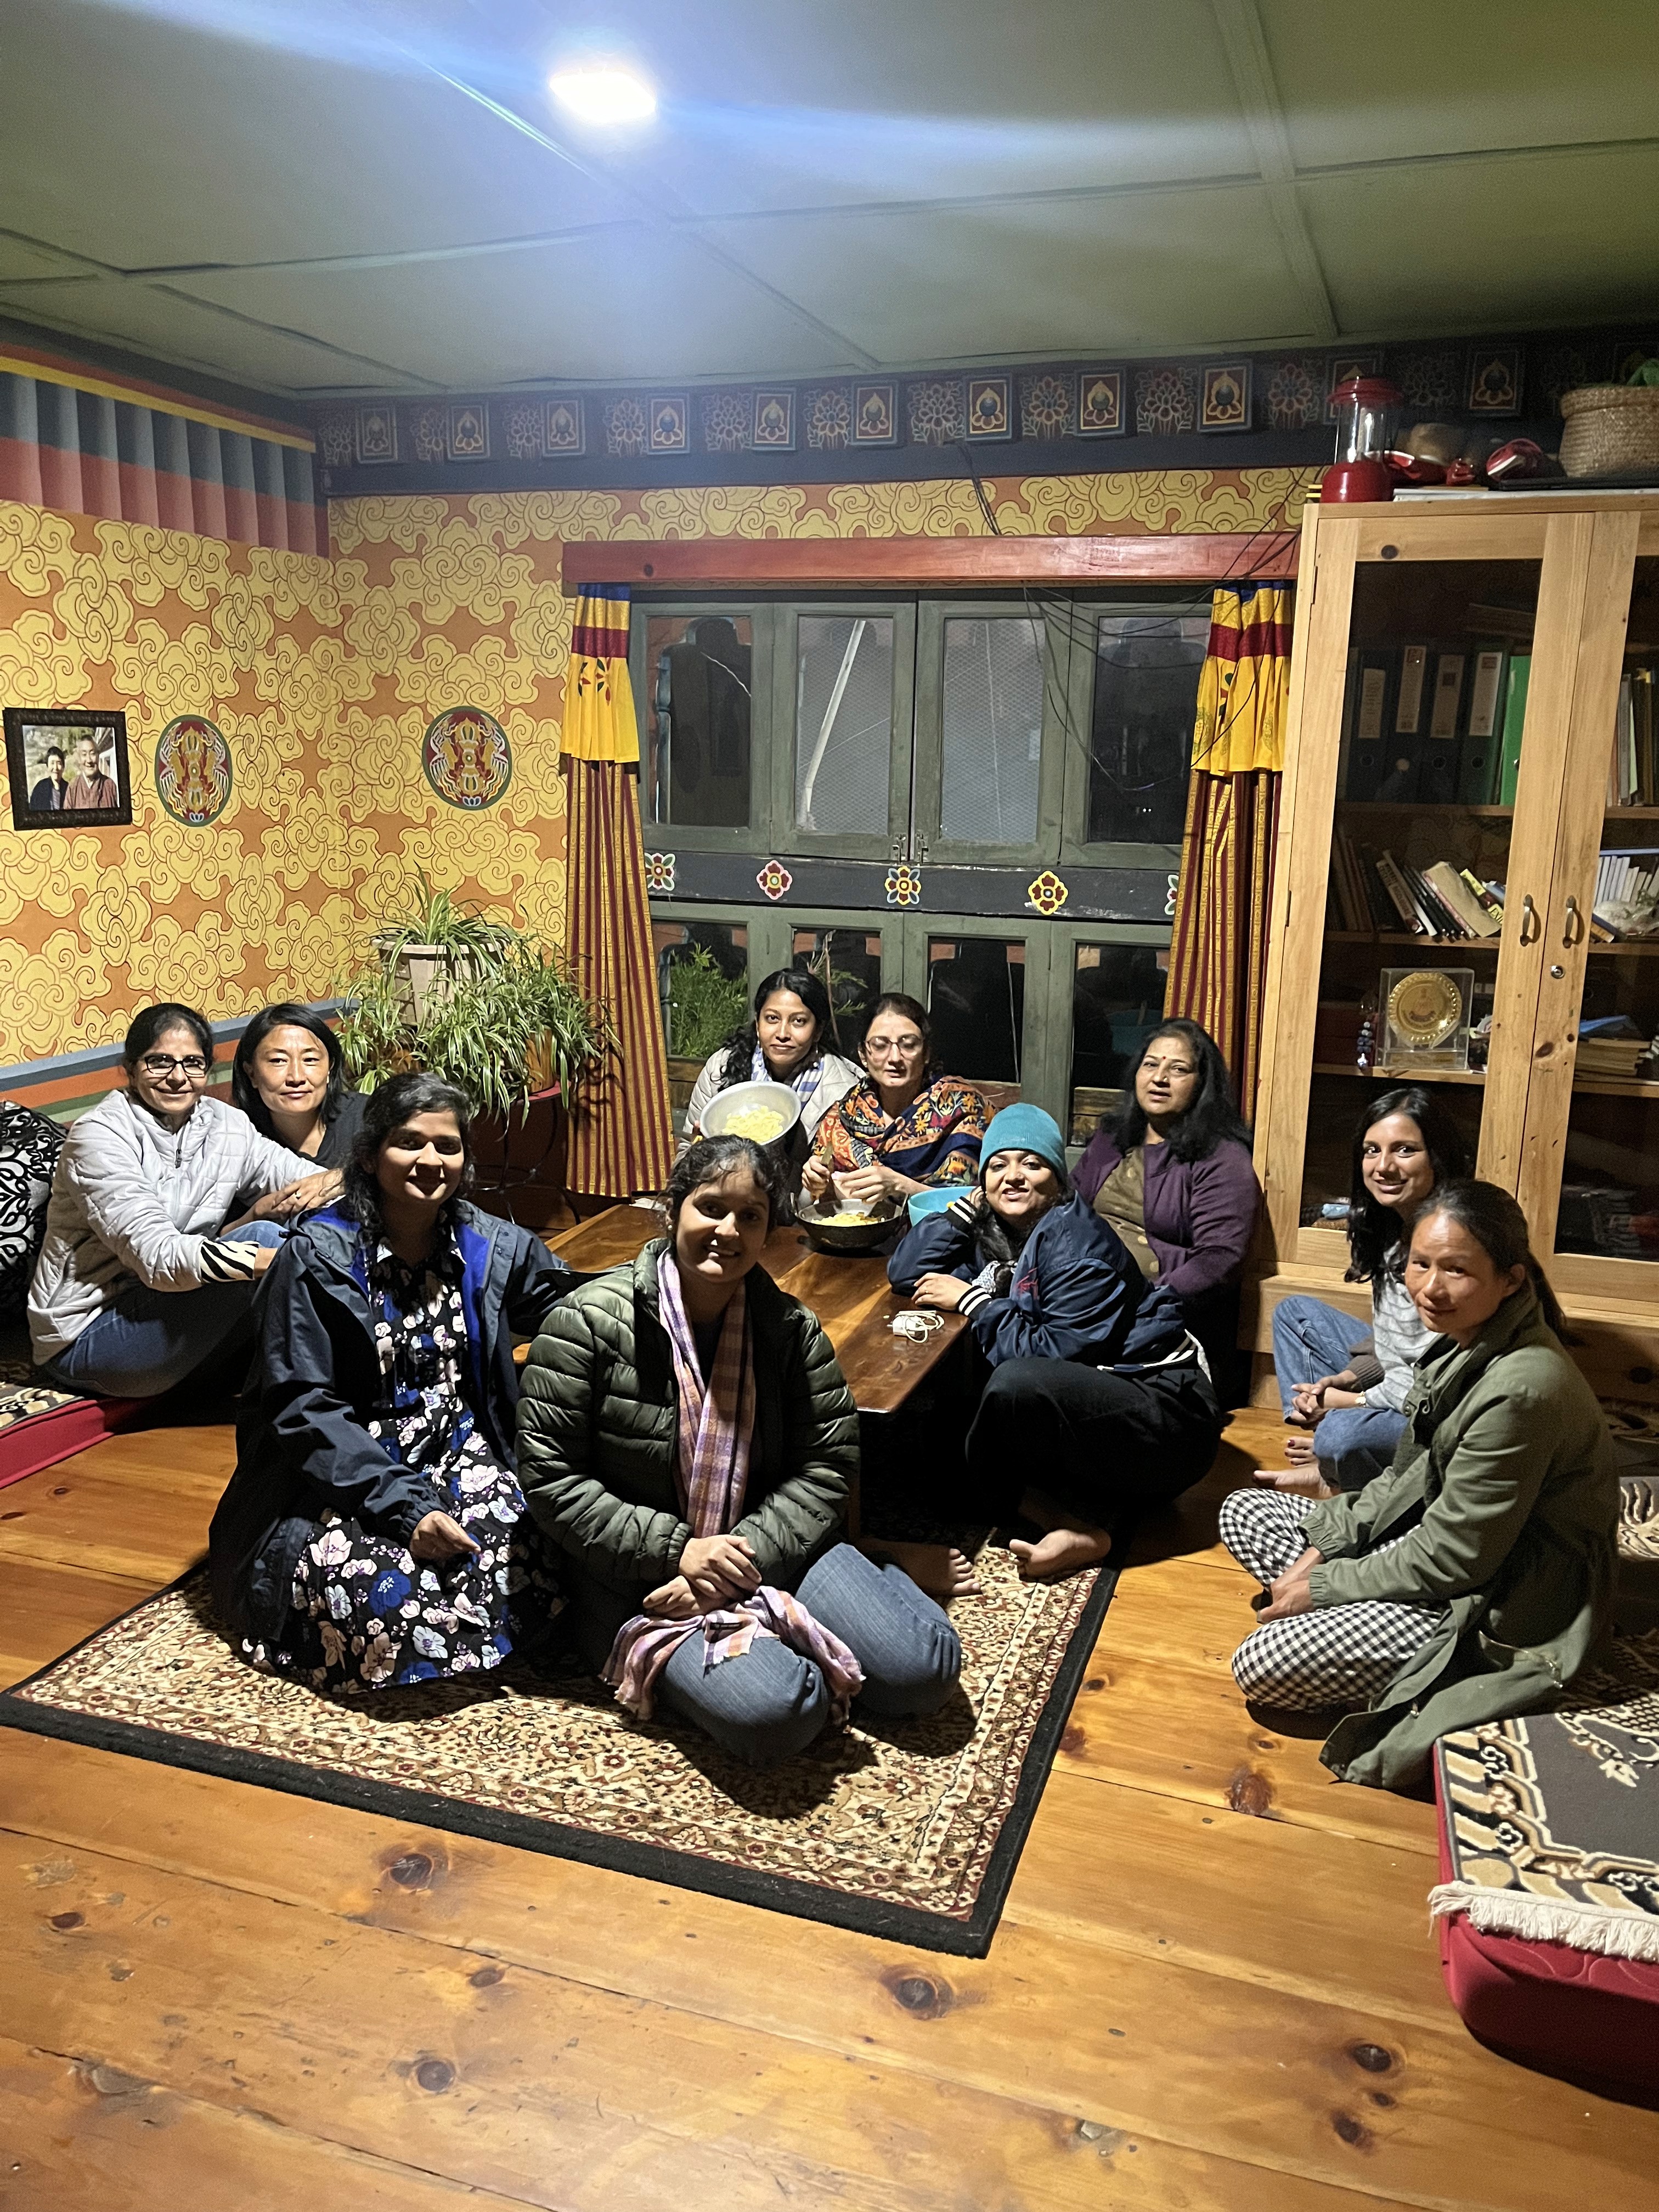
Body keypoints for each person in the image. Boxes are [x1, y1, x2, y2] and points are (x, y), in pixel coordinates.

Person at [516, 1133, 962, 1767]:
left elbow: (828, 1464)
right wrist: (680, 1552)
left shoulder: (788, 1328)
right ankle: (782, 1641)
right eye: (711, 1208)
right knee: (784, 1712)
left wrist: (737, 1562)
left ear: (767, 1231)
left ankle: (852, 1582)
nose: (728, 1231)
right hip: (642, 1576)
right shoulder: (585, 1323)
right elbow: (552, 1482)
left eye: (749, 1216)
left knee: (926, 1672)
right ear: (673, 1210)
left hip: (767, 1546)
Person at [1220, 1180, 1619, 1791]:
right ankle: (1349, 1626)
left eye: (1456, 1269)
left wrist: (1324, 1587)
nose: (1430, 1287)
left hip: (1506, 1598)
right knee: (1244, 1511)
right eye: (1420, 1264)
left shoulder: (1521, 1389)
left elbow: (1456, 1558)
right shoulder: (1465, 1343)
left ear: (1511, 1280)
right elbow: (1405, 1479)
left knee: (1262, 1663)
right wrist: (1326, 1547)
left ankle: (1395, 1660)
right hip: (1447, 1547)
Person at [210, 1073, 577, 1692]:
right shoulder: (316, 1258)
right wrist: (406, 1509)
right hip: (342, 1471)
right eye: (410, 1142)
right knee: (390, 1602)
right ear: (369, 1154)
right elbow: (303, 1408)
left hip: (461, 1450)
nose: (431, 1160)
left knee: (533, 1556)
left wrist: (667, 1275)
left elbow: (569, 1305)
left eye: (448, 1146)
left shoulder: (487, 1242)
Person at [889, 1103, 1223, 1580]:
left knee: (1012, 1384)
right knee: (940, 1443)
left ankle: (1080, 1520)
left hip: (1166, 1427)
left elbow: (1051, 1356)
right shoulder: (998, 1231)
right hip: (1098, 1408)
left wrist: (973, 1301)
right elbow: (906, 1273)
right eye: (998, 1166)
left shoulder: (1075, 1244)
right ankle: (1071, 1526)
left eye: (1032, 1163)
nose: (1013, 1177)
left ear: (1058, 1180)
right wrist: (964, 1212)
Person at [29, 1002, 338, 1399]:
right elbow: (158, 1258)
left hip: (178, 1305)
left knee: (306, 1224)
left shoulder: (225, 1124)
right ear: (131, 1067)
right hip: (89, 1332)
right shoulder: (100, 1137)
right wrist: (286, 1260)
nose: (178, 1077)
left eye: (193, 1063)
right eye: (159, 1062)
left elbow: (306, 1181)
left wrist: (351, 1183)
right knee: (267, 1242)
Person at [1257, 1086, 1471, 1497]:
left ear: (1438, 1157)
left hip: (1443, 1408)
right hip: (1402, 1382)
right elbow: (1396, 1344)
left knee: (1342, 1436)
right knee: (1295, 1314)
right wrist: (1343, 1380)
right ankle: (1333, 1451)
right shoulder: (1391, 1229)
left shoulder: (1452, 1238)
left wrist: (1348, 1401)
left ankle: (1336, 1465)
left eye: (1405, 1150)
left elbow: (1437, 1379)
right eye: (1372, 1151)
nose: (1384, 1166)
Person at [1072, 1018, 1261, 1404]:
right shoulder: (1111, 1137)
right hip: (1083, 1297)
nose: (1159, 1078)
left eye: (1178, 1069)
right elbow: (1069, 1209)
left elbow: (1219, 1259)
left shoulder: (1223, 1158)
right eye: (1150, 1064)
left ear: (1202, 1083)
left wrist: (1147, 1301)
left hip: (1160, 1322)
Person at [800, 993, 988, 1211]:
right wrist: (815, 1183)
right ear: (863, 1055)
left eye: (909, 1045)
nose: (895, 1058)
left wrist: (900, 1186)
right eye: (880, 1045)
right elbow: (809, 1202)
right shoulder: (843, 1117)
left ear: (926, 1053)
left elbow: (975, 1202)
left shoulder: (963, 1108)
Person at [682, 966, 861, 1188]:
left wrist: (817, 1180)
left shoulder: (844, 1091)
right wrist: (700, 1153)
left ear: (818, 1030)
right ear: (758, 1024)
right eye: (772, 1018)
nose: (783, 1034)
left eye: (799, 1021)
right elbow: (685, 1158)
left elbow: (842, 1185)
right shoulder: (721, 1068)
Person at [232, 1002, 368, 1169]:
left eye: (310, 1060)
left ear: (330, 1069)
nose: (296, 1077)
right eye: (278, 1061)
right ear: (251, 1073)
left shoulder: (365, 1118)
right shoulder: (241, 1145)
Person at [64, 730, 119, 810]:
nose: (89, 760)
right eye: (84, 755)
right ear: (79, 759)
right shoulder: (73, 787)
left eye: (92, 754)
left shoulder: (110, 785)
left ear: (98, 756)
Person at [27, 745, 69, 811]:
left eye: (59, 763)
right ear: (48, 766)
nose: (56, 768)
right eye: (52, 763)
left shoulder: (69, 789)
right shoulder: (40, 789)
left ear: (63, 767)